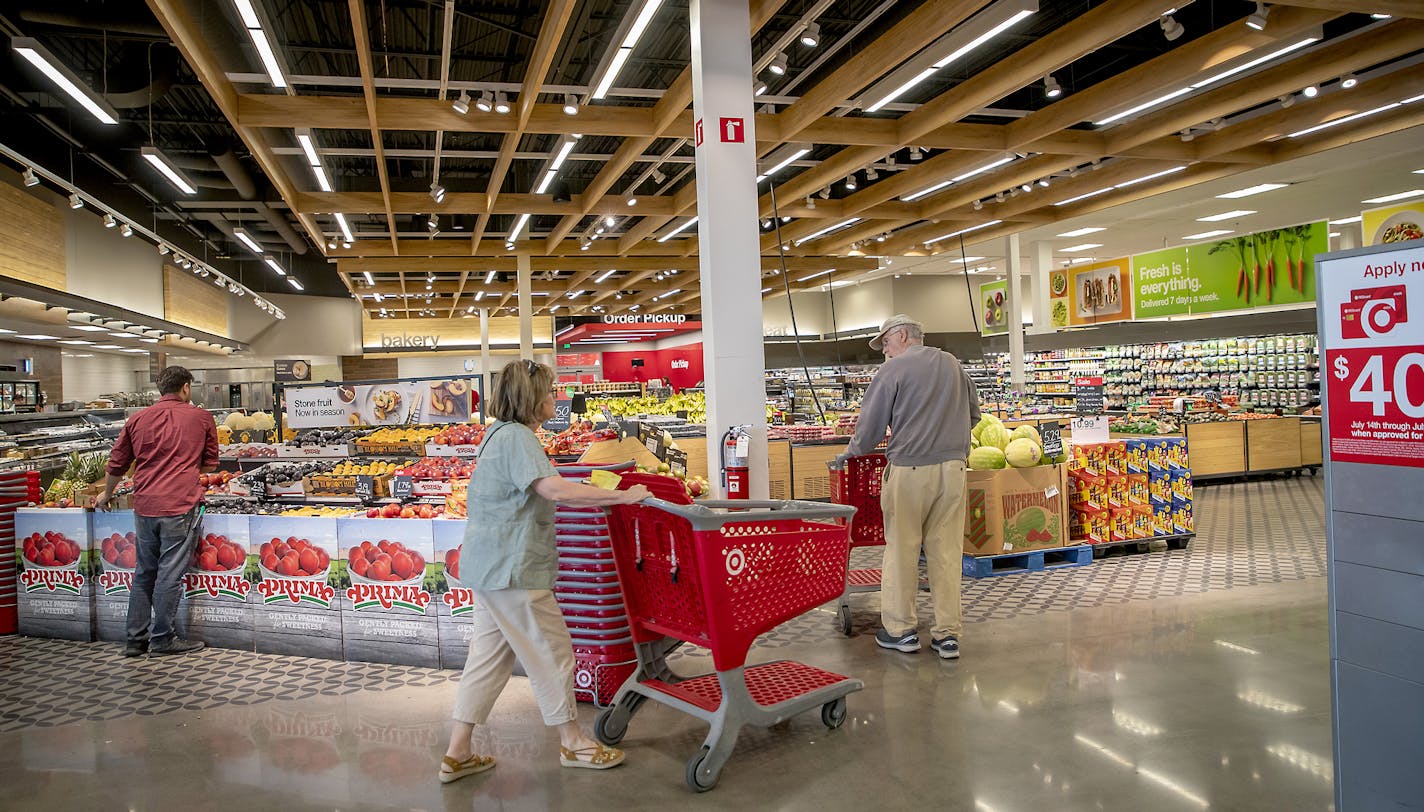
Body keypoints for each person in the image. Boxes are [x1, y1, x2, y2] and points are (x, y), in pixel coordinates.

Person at [440, 359, 651, 783]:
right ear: (530, 397)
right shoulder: (518, 437)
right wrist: (623, 497)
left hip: (487, 568)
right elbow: (551, 489)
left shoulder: (495, 435)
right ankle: (573, 742)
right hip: (514, 571)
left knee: (486, 661)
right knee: (552, 653)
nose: (556, 398)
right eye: (551, 391)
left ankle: (457, 753)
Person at [843, 315, 979, 660]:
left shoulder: (893, 370)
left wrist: (851, 452)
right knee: (946, 552)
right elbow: (975, 415)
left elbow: (870, 427)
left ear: (902, 336)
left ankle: (901, 630)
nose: (884, 350)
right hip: (953, 470)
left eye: (885, 342)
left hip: (910, 470)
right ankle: (948, 635)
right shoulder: (952, 364)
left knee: (903, 549)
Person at [95, 366, 219, 658]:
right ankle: (163, 639)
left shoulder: (137, 419)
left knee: (144, 573)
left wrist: (107, 493)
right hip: (180, 504)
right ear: (186, 387)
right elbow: (211, 465)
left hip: (145, 505)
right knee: (169, 574)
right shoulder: (201, 417)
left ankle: (135, 641)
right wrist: (184, 467)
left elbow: (117, 464)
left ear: (160, 389)